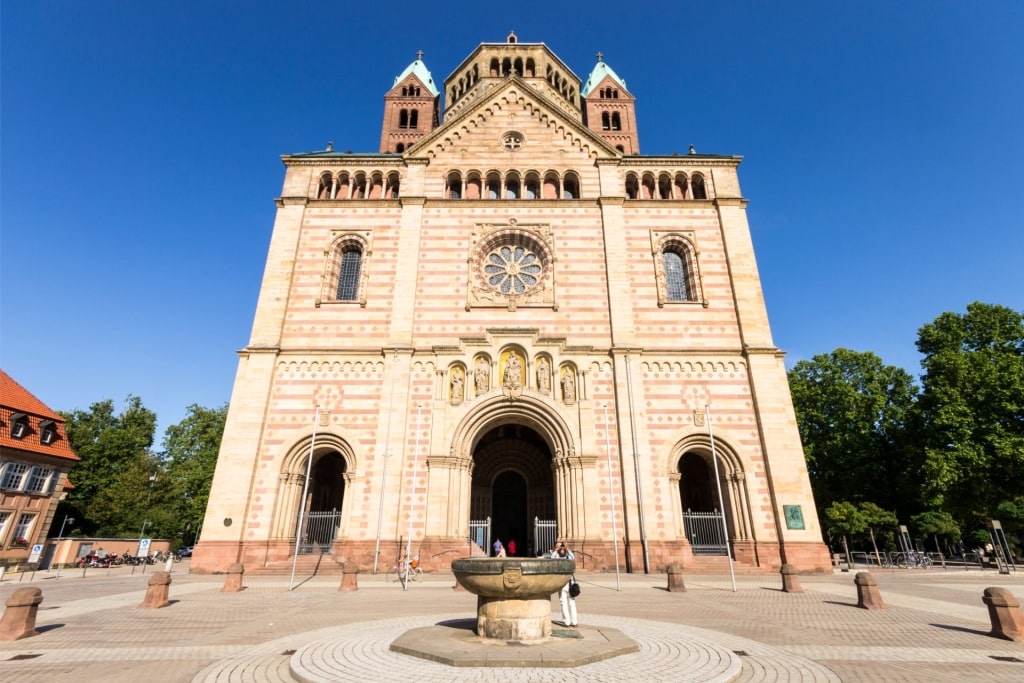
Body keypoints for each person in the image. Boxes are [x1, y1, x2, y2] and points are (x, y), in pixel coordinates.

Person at [550, 542, 578, 627]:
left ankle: (567, 622)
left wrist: (557, 550)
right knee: (572, 602)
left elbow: (551, 558)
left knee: (563, 603)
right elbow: (572, 556)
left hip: (562, 584)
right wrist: (567, 548)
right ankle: (575, 622)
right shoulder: (569, 558)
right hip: (570, 582)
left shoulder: (557, 560)